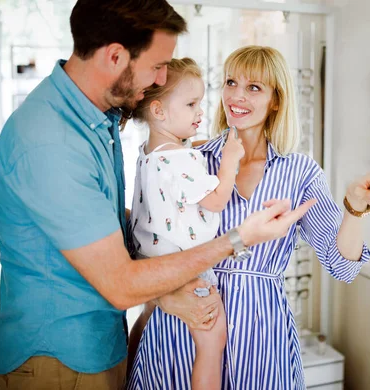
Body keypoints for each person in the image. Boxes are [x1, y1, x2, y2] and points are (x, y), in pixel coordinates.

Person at [0, 1, 314, 388]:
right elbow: (121, 283)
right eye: (157, 66)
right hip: (60, 358)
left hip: (95, 347)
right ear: (115, 56)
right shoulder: (53, 141)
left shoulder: (95, 119)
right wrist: (239, 238)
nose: (161, 80)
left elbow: (100, 221)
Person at [128, 45, 370, 389]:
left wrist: (354, 208)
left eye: (254, 87)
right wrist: (161, 298)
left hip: (261, 341)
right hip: (184, 327)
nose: (237, 96)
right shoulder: (191, 159)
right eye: (231, 82)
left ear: (276, 100)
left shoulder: (301, 172)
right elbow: (144, 242)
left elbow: (342, 267)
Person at [128, 57, 244, 389]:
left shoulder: (149, 154)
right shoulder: (183, 158)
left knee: (146, 322)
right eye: (191, 104)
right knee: (212, 337)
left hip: (154, 266)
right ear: (159, 111)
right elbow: (216, 199)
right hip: (187, 268)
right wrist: (230, 161)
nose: (200, 112)